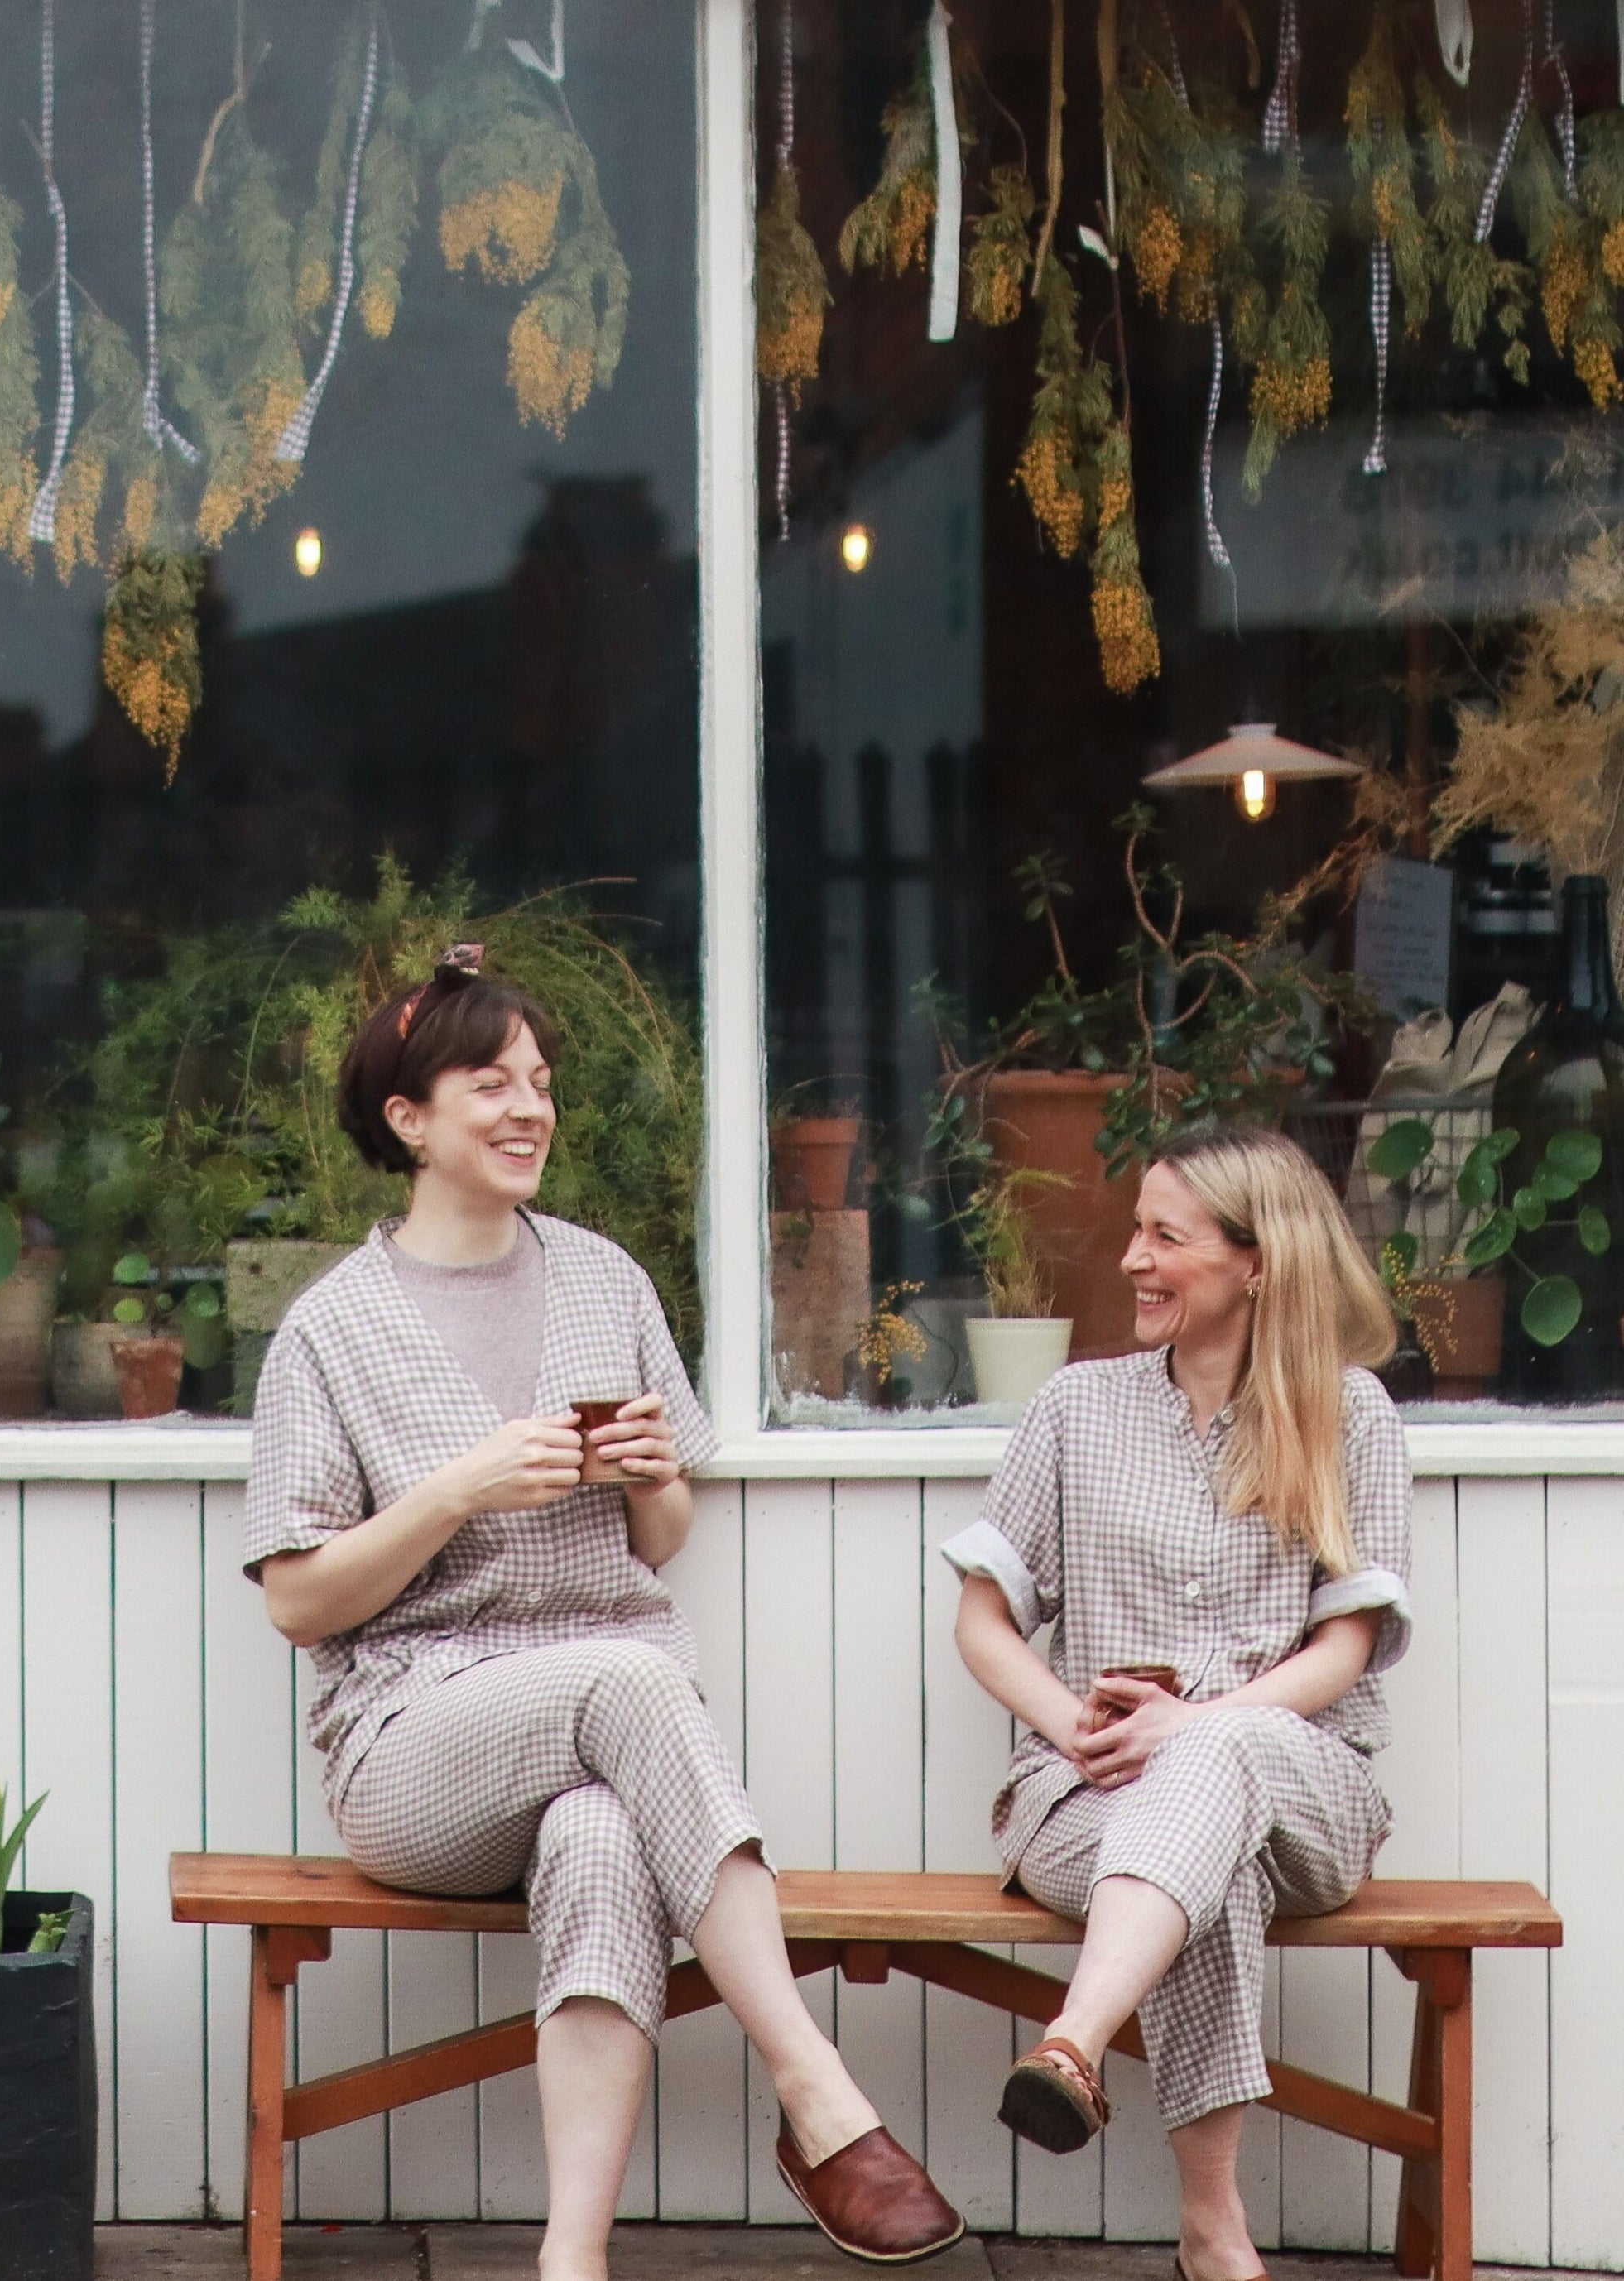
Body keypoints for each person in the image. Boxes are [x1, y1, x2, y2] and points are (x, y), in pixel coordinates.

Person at [243, 947, 962, 2274]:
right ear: (408, 1120)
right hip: (412, 1746)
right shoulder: (330, 1332)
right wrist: (456, 1491)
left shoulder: (603, 1279)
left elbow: (665, 1536)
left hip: (596, 1734)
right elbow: (298, 1600)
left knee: (596, 1843)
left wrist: (647, 1476)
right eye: (490, 1083)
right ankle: (813, 2083)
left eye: (542, 1081)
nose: (531, 1109)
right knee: (631, 1680)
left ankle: (568, 2261)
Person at [943, 1122, 1411, 2281]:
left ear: (1256, 1262)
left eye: (1165, 1237)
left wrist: (1196, 1727)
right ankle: (1214, 2231)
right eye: (1135, 1232)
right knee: (1212, 1861)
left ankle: (1072, 2040)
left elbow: (1347, 1647)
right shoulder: (1076, 1408)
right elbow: (981, 1620)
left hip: (1302, 1787)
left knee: (1218, 1767)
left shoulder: (1350, 1416)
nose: (1131, 1261)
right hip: (1090, 1797)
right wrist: (1071, 1727)